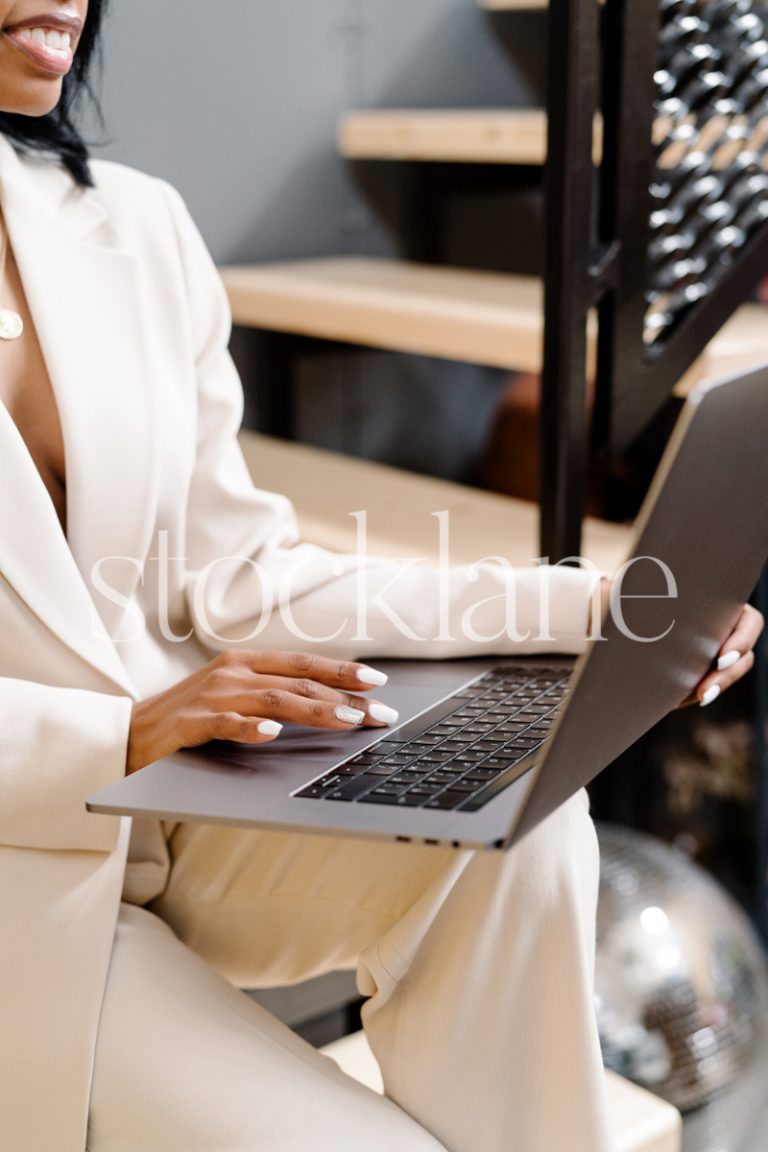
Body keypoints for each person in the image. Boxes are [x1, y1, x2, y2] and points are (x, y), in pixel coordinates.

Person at [0, 3, 762, 1151]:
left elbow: (246, 576)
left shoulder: (133, 224)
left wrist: (597, 610)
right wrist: (118, 736)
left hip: (169, 822)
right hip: (22, 882)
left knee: (528, 830)